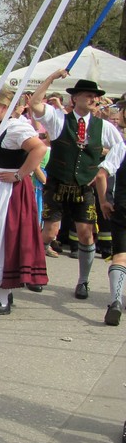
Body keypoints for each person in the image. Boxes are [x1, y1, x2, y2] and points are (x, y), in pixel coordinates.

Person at [30, 70, 124, 299]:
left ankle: (83, 281)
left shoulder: (103, 127)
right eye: (87, 95)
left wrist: (105, 169)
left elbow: (120, 147)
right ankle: (35, 272)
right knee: (50, 231)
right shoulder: (59, 119)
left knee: (85, 234)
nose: (92, 99)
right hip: (58, 183)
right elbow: (34, 104)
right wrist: (51, 78)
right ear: (75, 98)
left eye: (95, 96)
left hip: (83, 187)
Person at [0, 89, 48, 315]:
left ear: (4, 107)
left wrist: (19, 174)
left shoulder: (15, 127)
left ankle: (4, 298)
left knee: (3, 238)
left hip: (7, 191)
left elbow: (39, 148)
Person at [93, 138, 126, 325]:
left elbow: (100, 176)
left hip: (123, 206)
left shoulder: (122, 146)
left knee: (120, 256)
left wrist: (104, 201)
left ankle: (116, 301)